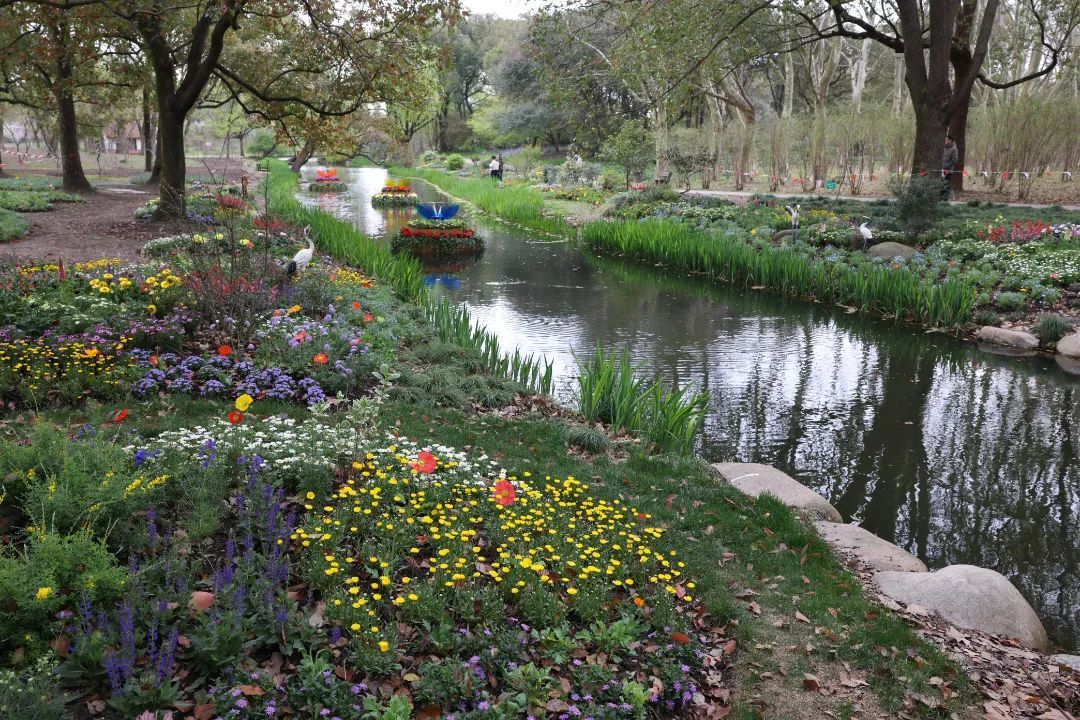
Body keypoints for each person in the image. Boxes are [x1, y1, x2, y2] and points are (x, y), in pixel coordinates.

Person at [941, 135, 958, 201]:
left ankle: (945, 199)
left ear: (950, 140)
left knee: (946, 184)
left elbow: (955, 160)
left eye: (946, 140)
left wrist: (947, 166)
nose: (945, 141)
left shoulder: (954, 149)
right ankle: (941, 199)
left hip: (948, 170)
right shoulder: (944, 148)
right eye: (945, 140)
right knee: (941, 184)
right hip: (941, 169)